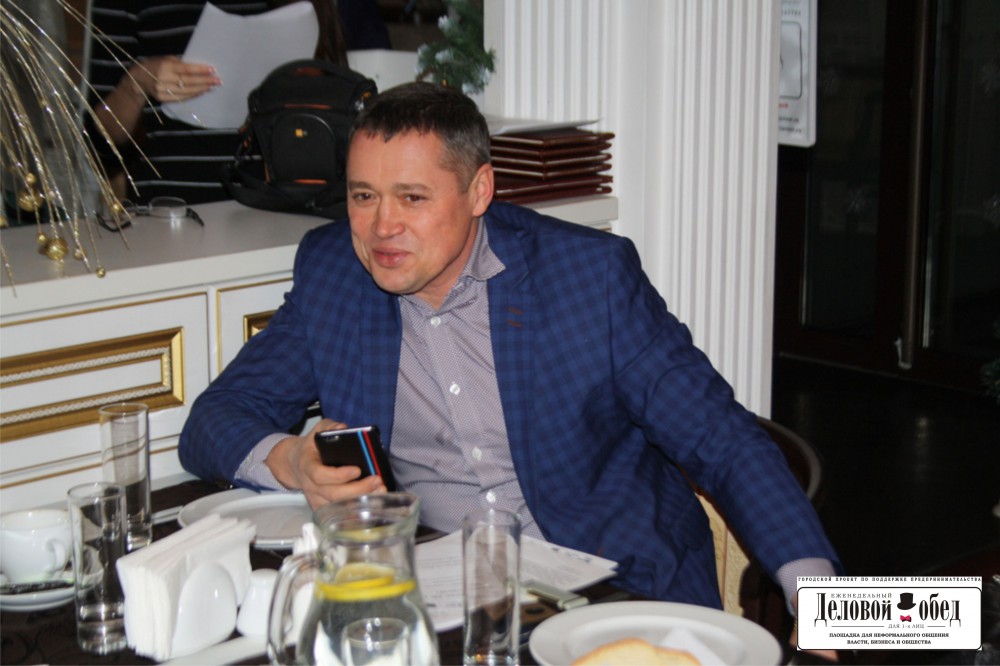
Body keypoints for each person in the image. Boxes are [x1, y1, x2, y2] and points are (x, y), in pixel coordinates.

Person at [179, 82, 839, 609]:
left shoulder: (589, 278)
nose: (382, 226)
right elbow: (212, 422)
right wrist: (292, 460)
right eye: (363, 196)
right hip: (439, 596)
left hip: (610, 589)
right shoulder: (334, 276)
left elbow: (723, 441)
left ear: (479, 191)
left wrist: (827, 607)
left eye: (412, 197)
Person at [87, 0, 349, 205]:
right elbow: (98, 137)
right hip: (173, 207)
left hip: (282, 203)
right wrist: (136, 84)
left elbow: (337, 95)